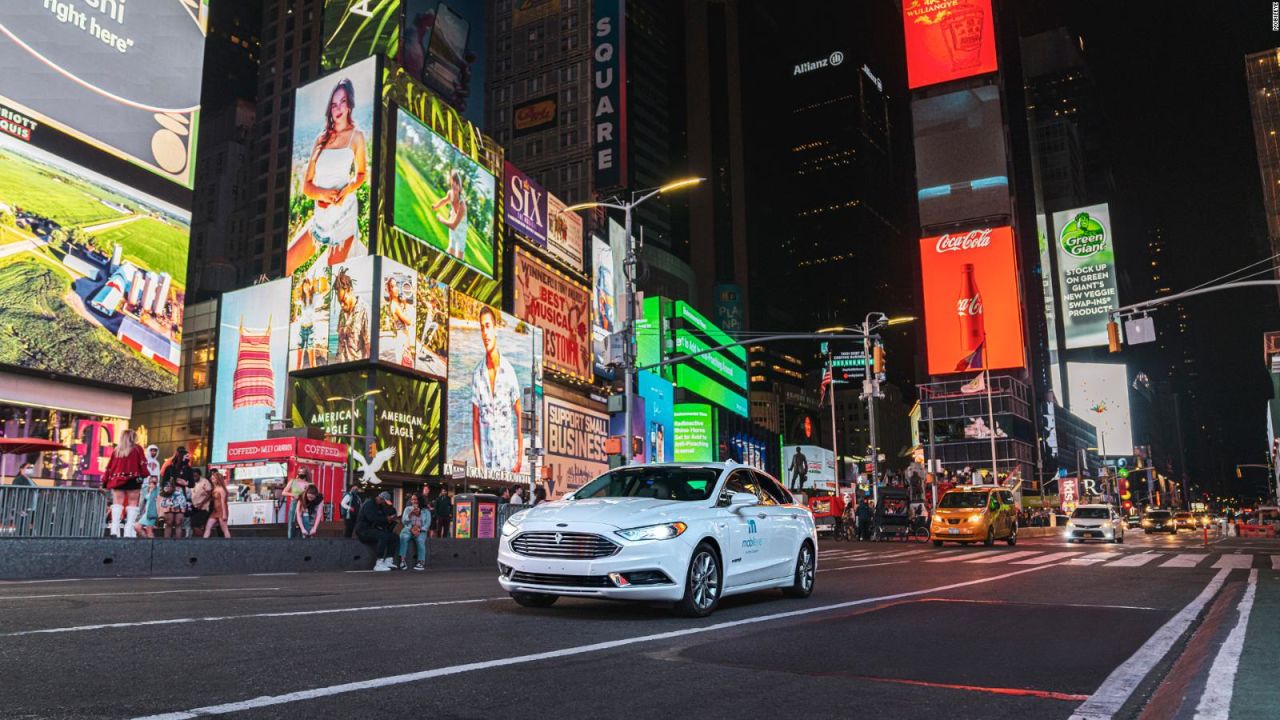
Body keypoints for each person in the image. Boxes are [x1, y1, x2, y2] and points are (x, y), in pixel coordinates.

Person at [302, 76, 367, 266]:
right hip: (320, 216)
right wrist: (323, 194)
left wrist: (347, 189)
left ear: (349, 106)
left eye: (343, 102)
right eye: (334, 104)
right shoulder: (320, 139)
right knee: (288, 261)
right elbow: (306, 186)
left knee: (332, 275)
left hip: (344, 213)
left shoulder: (356, 136)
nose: (338, 109)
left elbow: (362, 174)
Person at [470, 306, 523, 473]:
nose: (485, 334)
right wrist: (478, 465)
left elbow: (521, 415)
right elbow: (475, 421)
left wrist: (519, 460)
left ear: (495, 329)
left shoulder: (509, 372)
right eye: (481, 328)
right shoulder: (477, 374)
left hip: (508, 464)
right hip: (486, 465)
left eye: (488, 326)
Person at [102, 429, 147, 538]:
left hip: (118, 479)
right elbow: (143, 463)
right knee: (132, 504)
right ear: (133, 437)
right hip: (134, 479)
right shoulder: (137, 449)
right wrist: (144, 474)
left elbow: (110, 467)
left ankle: (114, 530)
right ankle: (128, 531)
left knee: (117, 504)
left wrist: (105, 481)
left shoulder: (117, 450)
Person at [431, 168, 469, 260]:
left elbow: (453, 226)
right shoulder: (450, 193)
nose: (455, 185)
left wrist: (440, 219)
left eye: (457, 184)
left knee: (459, 257)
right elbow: (444, 201)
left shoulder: (462, 205)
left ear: (460, 187)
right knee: (451, 249)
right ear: (451, 182)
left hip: (460, 227)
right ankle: (438, 263)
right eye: (453, 182)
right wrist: (436, 206)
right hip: (453, 218)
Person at [333, 268, 370, 363]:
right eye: (339, 302)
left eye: (343, 301)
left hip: (357, 371)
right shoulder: (342, 312)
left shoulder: (364, 310)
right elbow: (339, 344)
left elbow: (369, 346)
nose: (341, 305)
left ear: (350, 290)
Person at [357, 491, 399, 571]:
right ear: (381, 499)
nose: (385, 504)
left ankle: (388, 560)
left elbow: (384, 517)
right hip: (363, 531)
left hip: (373, 530)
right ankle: (379, 563)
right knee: (383, 536)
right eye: (384, 502)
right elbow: (372, 518)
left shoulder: (380, 506)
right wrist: (386, 519)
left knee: (394, 537)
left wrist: (390, 519)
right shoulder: (369, 504)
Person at [158, 447, 193, 539]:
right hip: (170, 494)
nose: (188, 458)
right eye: (186, 456)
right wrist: (167, 487)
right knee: (169, 521)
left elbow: (192, 483)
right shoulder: (169, 468)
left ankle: (178, 543)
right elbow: (164, 481)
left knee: (179, 522)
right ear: (181, 457)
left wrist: (186, 483)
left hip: (181, 494)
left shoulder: (188, 469)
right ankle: (166, 543)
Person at [398, 494, 430, 570]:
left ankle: (421, 562)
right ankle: (402, 560)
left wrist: (420, 529)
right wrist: (410, 514)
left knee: (420, 541)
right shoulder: (408, 509)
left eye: (415, 499)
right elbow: (404, 522)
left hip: (421, 530)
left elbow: (427, 523)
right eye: (412, 499)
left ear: (420, 500)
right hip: (409, 529)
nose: (414, 501)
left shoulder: (426, 511)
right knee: (403, 538)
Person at [295, 275, 319, 369]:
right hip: (302, 330)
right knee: (298, 362)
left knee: (312, 362)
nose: (305, 287)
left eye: (307, 285)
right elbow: (295, 300)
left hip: (311, 330)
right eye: (304, 285)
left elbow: (326, 291)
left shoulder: (314, 297)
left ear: (310, 285)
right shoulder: (302, 299)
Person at [283, 469, 312, 539]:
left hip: (305, 505)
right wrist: (292, 494)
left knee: (305, 522)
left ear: (306, 474)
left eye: (303, 472)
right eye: (299, 472)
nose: (301, 474)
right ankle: (291, 539)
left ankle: (305, 538)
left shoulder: (309, 484)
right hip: (295, 503)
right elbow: (284, 492)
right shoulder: (293, 481)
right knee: (292, 523)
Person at [202, 471, 232, 538]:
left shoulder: (221, 489)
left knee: (224, 529)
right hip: (215, 510)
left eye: (213, 478)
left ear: (217, 479)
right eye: (212, 478)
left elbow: (223, 502)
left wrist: (224, 514)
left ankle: (230, 542)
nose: (212, 480)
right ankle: (204, 541)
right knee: (208, 526)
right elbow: (212, 497)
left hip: (221, 510)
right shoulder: (215, 488)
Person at [189, 470, 213, 537]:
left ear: (199, 475)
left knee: (194, 524)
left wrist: (202, 503)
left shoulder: (205, 481)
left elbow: (209, 494)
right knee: (195, 525)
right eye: (193, 476)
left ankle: (203, 538)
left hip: (203, 508)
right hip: (194, 507)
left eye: (196, 476)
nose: (194, 477)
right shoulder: (192, 482)